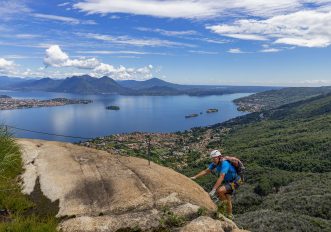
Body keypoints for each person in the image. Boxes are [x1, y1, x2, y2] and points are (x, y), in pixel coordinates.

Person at [190, 150, 242, 219]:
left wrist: (213, 190)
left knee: (220, 191)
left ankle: (224, 209)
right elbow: (206, 171)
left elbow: (221, 176)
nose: (213, 160)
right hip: (229, 181)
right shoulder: (215, 163)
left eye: (215, 158)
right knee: (227, 197)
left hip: (236, 181)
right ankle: (230, 215)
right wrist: (195, 177)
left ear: (219, 157)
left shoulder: (225, 163)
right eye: (212, 158)